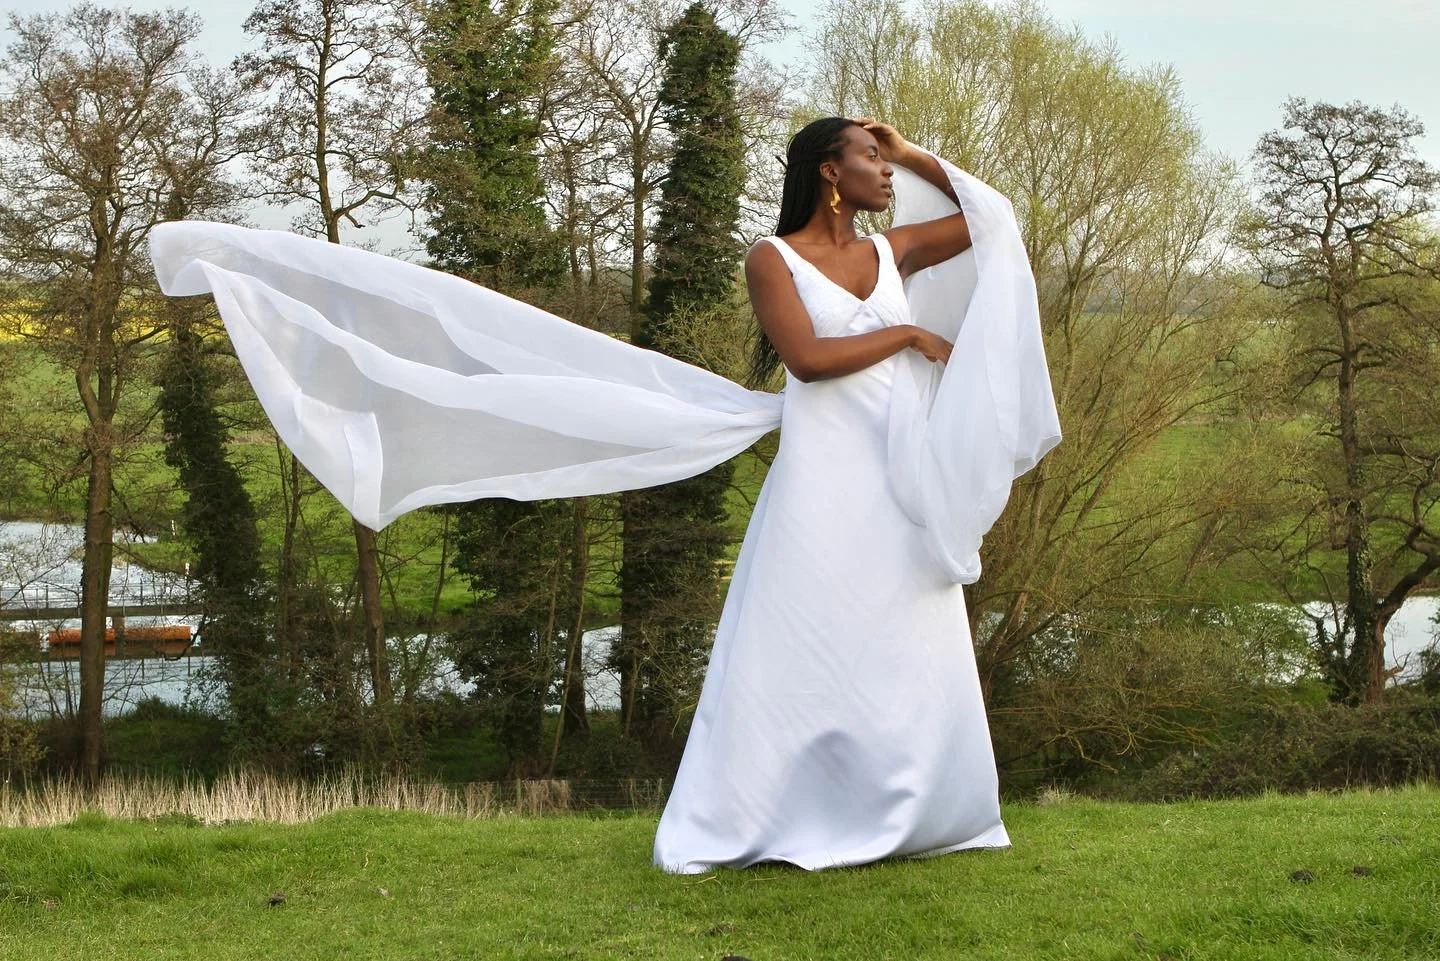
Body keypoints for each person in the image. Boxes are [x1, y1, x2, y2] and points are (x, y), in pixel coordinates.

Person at [147, 115, 1060, 875]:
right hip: (826, 480)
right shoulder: (771, 259)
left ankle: (914, 812)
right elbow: (810, 363)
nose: (883, 174)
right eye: (867, 157)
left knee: (901, 637)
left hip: (900, 478)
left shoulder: (895, 248)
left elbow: (995, 226)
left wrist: (909, 154)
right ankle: (769, 819)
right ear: (829, 172)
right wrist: (905, 336)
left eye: (882, 158)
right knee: (808, 640)